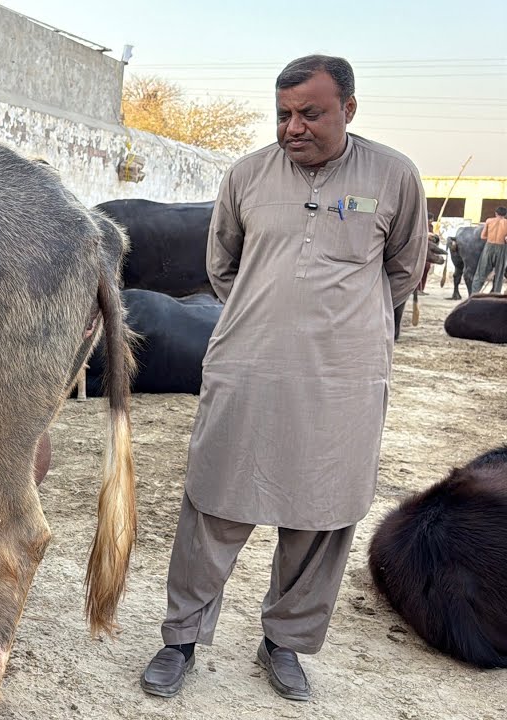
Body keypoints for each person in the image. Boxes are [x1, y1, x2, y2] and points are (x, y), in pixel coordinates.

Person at [140, 55, 427, 702]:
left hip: (344, 381)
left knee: (321, 517)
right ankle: (180, 638)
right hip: (249, 368)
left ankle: (286, 643)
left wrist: (337, 323)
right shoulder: (246, 174)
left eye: (310, 114)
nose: (293, 127)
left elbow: (404, 271)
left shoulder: (394, 176)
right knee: (214, 502)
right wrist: (271, 314)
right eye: (283, 114)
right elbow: (223, 266)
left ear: (349, 110)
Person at [472, 206, 507, 294]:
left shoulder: (489, 221)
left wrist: (491, 238)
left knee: (480, 272)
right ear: (505, 215)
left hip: (489, 247)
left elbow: (482, 236)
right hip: (501, 247)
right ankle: (496, 295)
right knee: (499, 274)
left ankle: (474, 294)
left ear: (496, 213)